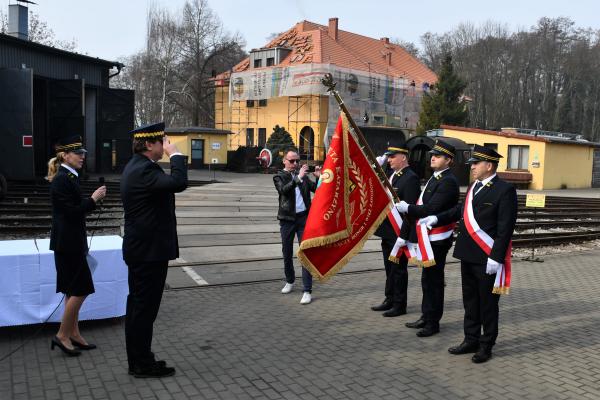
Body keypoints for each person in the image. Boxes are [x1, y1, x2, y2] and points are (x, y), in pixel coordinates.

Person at [420, 145, 517, 363]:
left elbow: (505, 228)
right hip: (467, 253)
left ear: (489, 165)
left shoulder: (505, 190)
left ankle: (486, 344)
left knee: (488, 304)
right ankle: (470, 338)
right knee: (470, 301)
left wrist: (496, 257)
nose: (471, 166)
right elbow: (459, 211)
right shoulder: (474, 187)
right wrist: (437, 218)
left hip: (487, 257)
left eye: (476, 163)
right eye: (472, 163)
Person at [120, 122, 188, 378]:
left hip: (145, 251)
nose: (165, 146)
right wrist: (177, 155)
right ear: (149, 144)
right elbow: (179, 182)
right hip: (147, 253)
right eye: (162, 142)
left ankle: (142, 358)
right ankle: (140, 363)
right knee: (143, 310)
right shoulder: (144, 171)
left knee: (141, 309)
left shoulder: (139, 167)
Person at [48, 135, 106, 356]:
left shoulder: (69, 177)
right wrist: (93, 199)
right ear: (65, 155)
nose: (82, 156)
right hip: (68, 245)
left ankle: (74, 333)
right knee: (81, 289)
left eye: (83, 153)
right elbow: (71, 212)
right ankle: (62, 335)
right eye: (78, 153)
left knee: (72, 290)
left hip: (71, 243)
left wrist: (90, 201)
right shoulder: (62, 179)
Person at [395, 139, 459, 337]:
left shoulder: (448, 181)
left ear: (448, 160)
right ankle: (426, 316)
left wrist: (408, 208)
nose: (432, 158)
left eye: (437, 156)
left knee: (434, 280)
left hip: (438, 238)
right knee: (427, 279)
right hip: (429, 237)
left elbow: (431, 209)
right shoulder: (436, 177)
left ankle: (433, 322)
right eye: (432, 155)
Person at [371, 146, 420, 317]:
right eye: (388, 157)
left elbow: (409, 212)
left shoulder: (411, 178)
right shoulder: (393, 175)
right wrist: (380, 163)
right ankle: (389, 298)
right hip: (387, 231)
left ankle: (400, 304)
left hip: (399, 232)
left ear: (404, 157)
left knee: (398, 270)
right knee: (389, 268)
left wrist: (403, 235)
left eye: (393, 157)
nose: (389, 160)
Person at [273, 149, 321, 305]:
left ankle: (307, 290)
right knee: (287, 252)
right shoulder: (279, 176)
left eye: (297, 161)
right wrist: (299, 177)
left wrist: (320, 178)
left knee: (305, 253)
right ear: (284, 161)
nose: (295, 164)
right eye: (292, 161)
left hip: (303, 219)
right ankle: (290, 280)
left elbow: (318, 191)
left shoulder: (304, 177)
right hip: (287, 220)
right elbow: (283, 190)